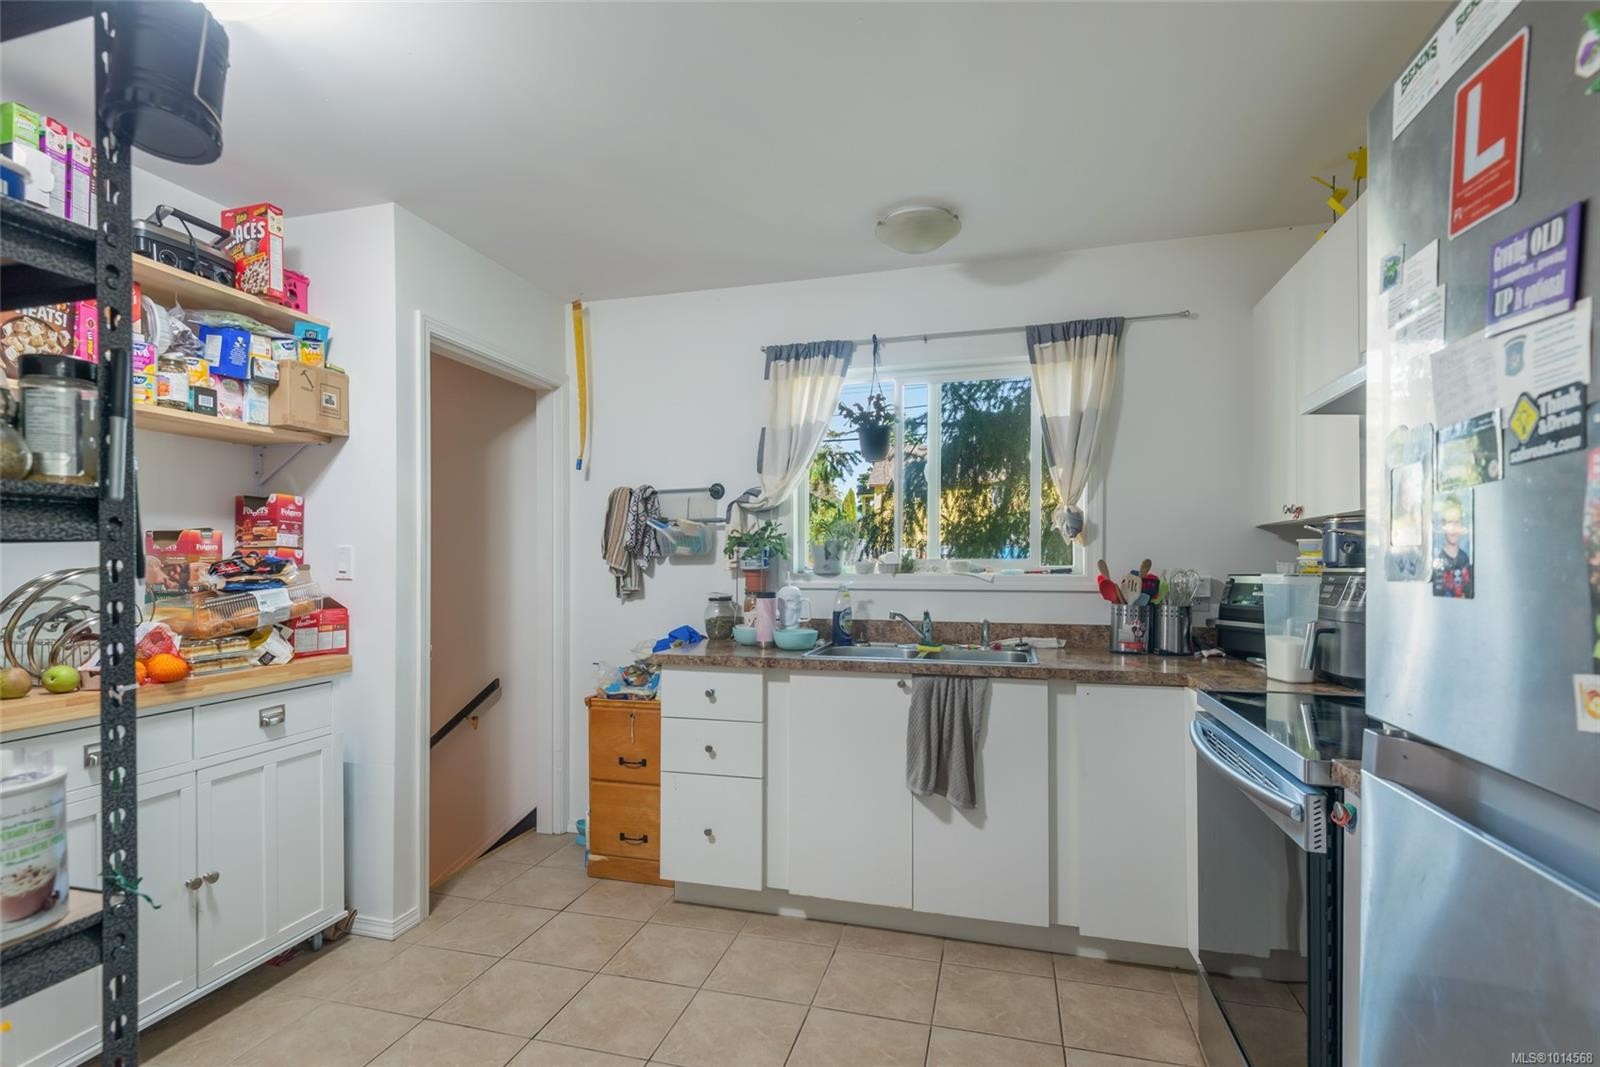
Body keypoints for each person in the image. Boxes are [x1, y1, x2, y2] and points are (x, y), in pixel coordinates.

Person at [1433, 499, 1472, 598]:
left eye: (1456, 522)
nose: (1453, 528)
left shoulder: (1465, 559)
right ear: (1443, 525)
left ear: (1461, 525)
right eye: (1449, 522)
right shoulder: (1437, 560)